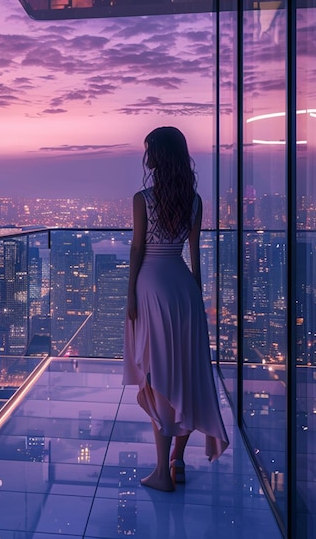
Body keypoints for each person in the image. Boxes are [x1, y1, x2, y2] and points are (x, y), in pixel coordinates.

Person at [123, 126, 229, 492]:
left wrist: (130, 295)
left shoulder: (143, 198)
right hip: (184, 289)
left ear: (159, 155)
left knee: (158, 379)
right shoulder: (195, 201)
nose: (146, 154)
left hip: (151, 285)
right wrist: (197, 297)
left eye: (149, 148)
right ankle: (178, 461)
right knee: (184, 374)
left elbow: (138, 249)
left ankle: (160, 472)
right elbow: (195, 255)